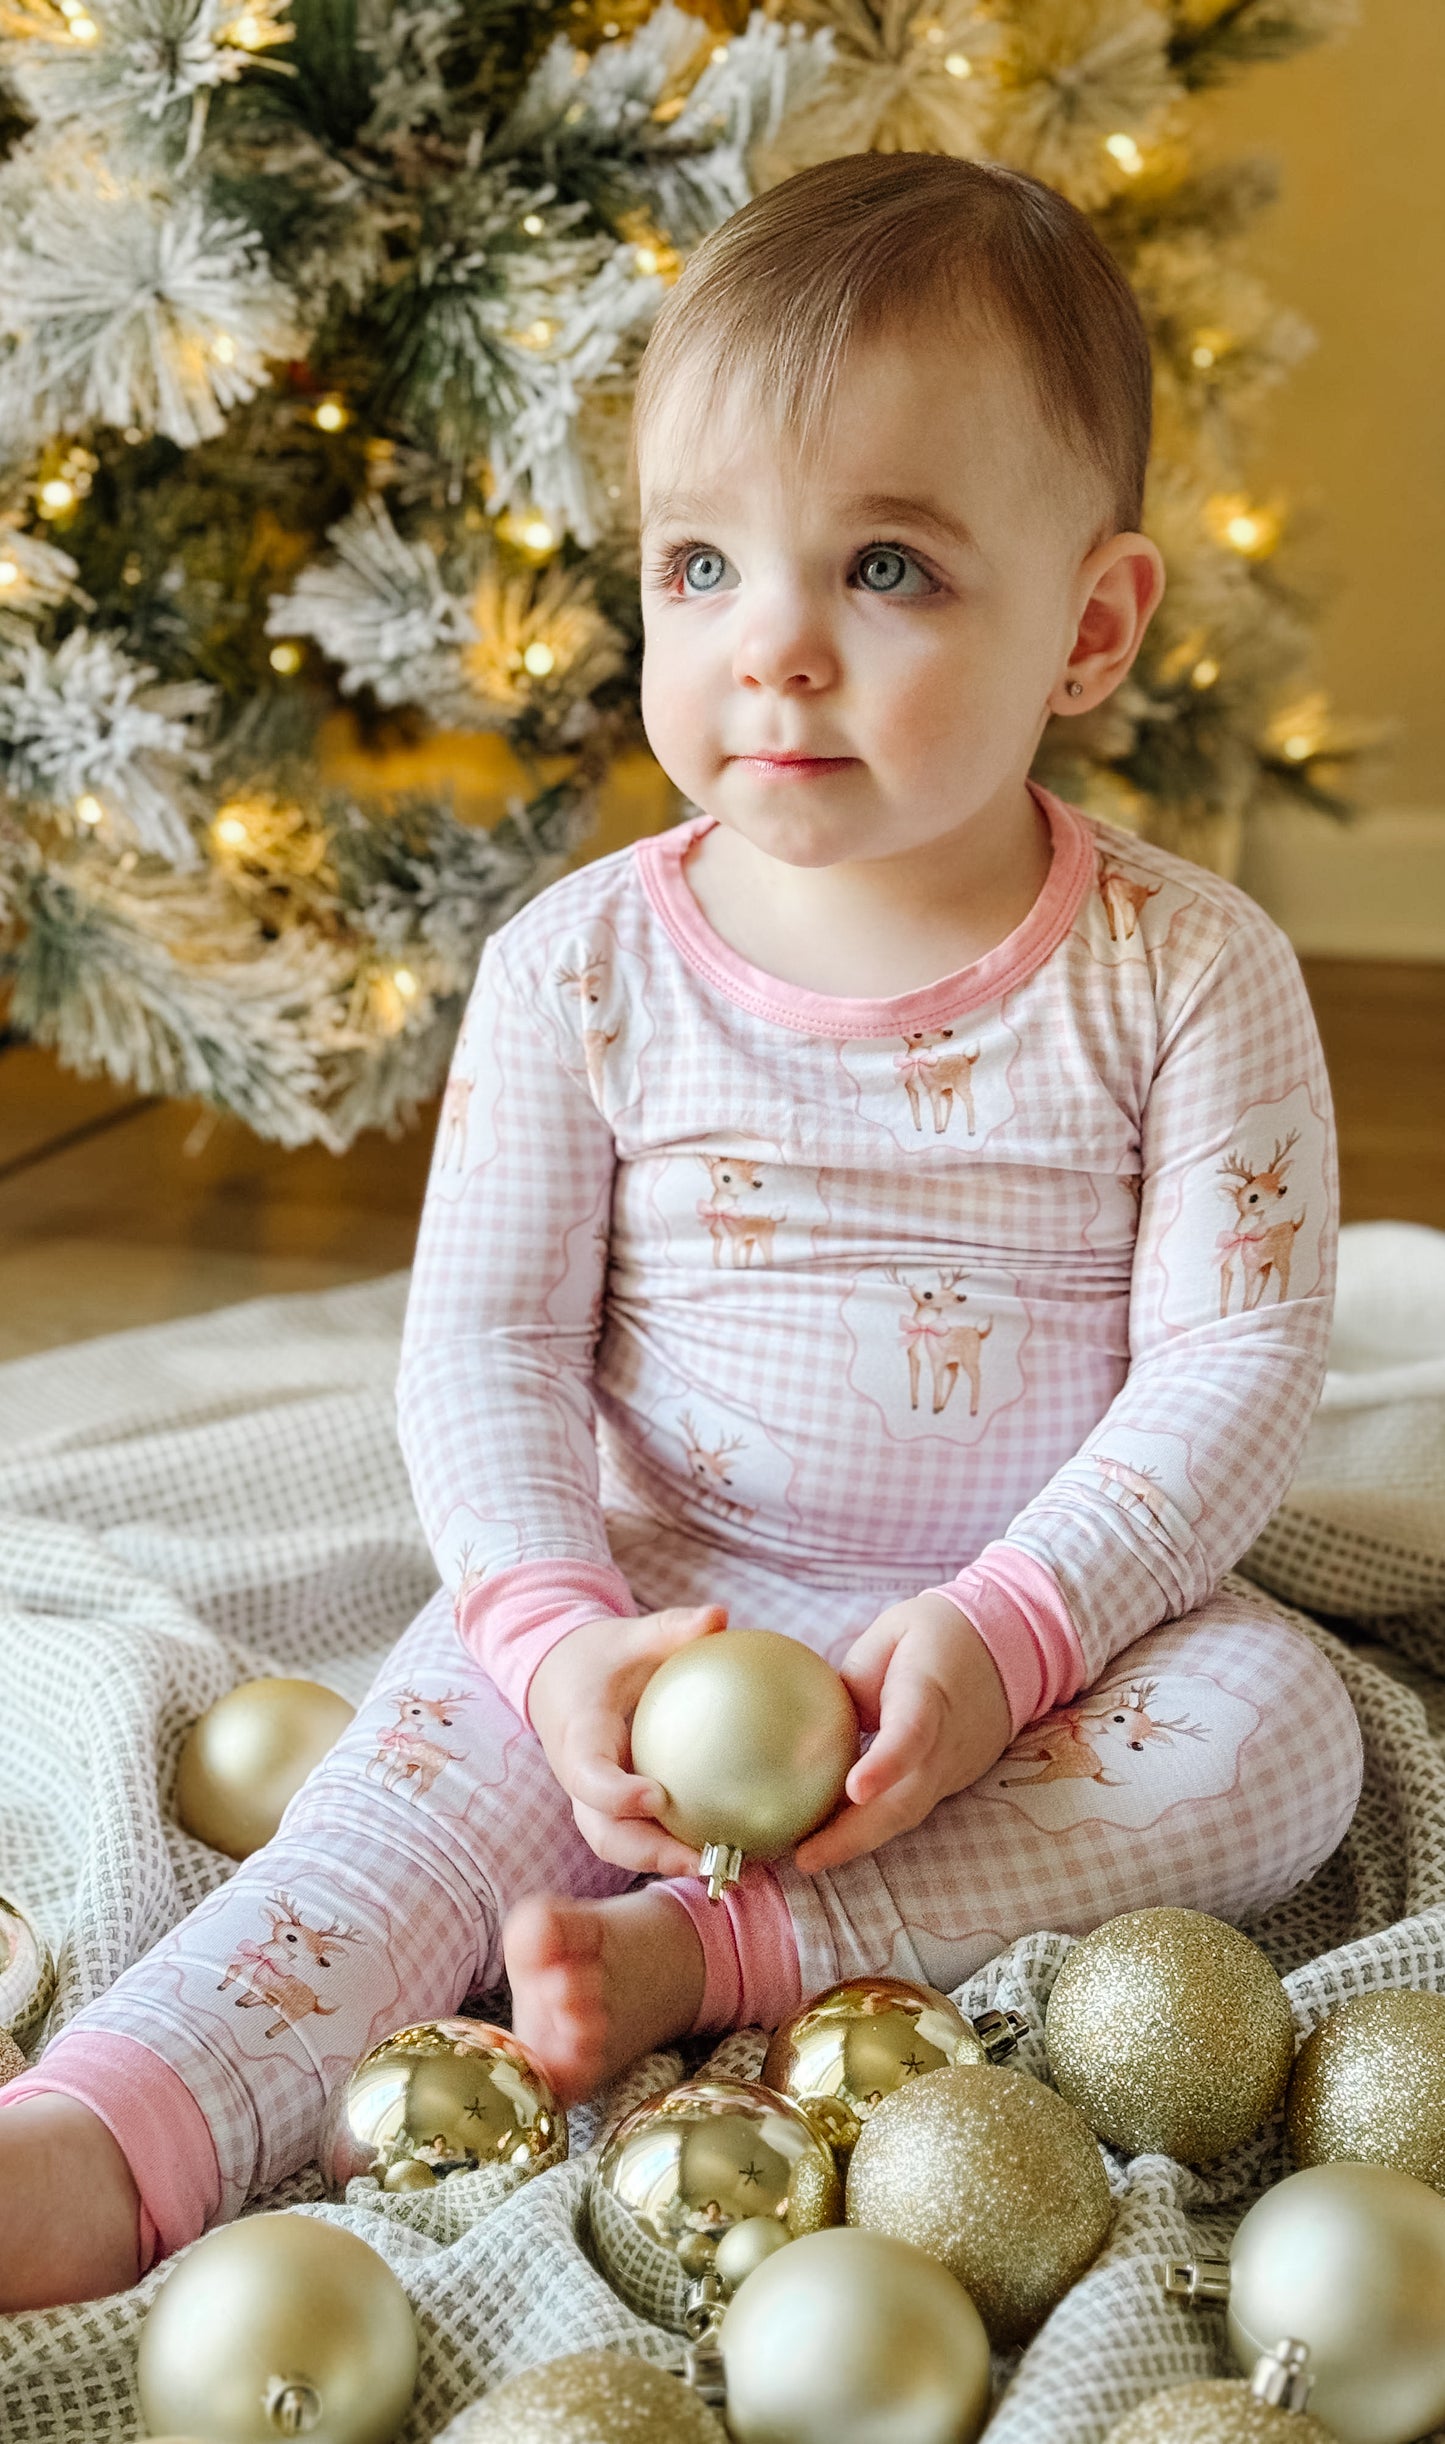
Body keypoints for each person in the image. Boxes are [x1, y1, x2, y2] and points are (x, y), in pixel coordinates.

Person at [0, 151, 1362, 2312]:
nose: (775, 650)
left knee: (1287, 1733)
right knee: (399, 1801)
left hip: (1027, 1647)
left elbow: (1235, 1360)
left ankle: (726, 1954)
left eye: (890, 567)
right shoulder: (580, 970)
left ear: (1091, 627)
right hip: (660, 1611)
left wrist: (1013, 1632)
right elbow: (488, 1346)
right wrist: (555, 1644)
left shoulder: (1183, 971)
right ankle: (118, 2122)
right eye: (703, 563)